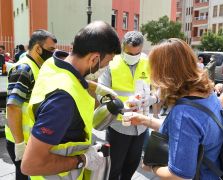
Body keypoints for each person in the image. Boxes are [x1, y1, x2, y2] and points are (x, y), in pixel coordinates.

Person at [21, 21, 121, 180]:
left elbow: (70, 78)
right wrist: (83, 160)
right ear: (94, 58)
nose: (106, 68)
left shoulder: (53, 63)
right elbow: (30, 165)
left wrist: (96, 88)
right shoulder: (62, 101)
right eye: (107, 63)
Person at [125, 38, 223, 179]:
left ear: (165, 73)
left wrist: (151, 166)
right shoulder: (208, 94)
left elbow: (179, 176)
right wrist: (145, 120)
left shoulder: (184, 114)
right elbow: (186, 133)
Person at [98, 31, 159, 180]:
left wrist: (150, 100)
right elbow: (100, 93)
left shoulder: (148, 62)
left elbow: (159, 87)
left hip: (141, 125)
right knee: (114, 166)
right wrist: (120, 105)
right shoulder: (112, 63)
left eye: (136, 53)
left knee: (132, 164)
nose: (133, 57)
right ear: (123, 47)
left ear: (141, 49)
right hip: (119, 124)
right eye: (129, 53)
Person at [5, 30, 57, 180]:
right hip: (21, 139)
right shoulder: (24, 69)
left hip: (31, 139)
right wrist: (19, 143)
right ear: (38, 48)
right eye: (51, 50)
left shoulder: (38, 67)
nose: (53, 54)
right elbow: (13, 107)